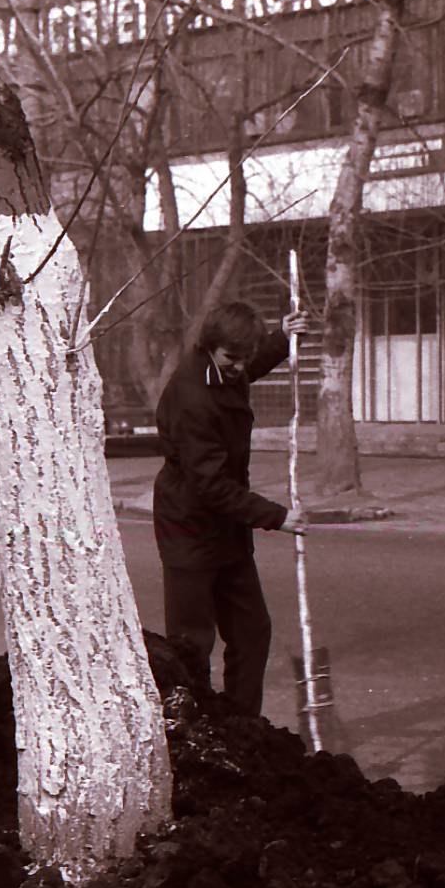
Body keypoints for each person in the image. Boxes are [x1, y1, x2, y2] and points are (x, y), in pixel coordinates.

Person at [153, 302, 309, 717]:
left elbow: (249, 366)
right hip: (189, 527)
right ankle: (195, 733)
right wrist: (277, 516)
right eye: (232, 358)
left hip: (226, 528)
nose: (240, 367)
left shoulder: (225, 370)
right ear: (210, 348)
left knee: (252, 631)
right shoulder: (192, 397)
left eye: (244, 357)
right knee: (192, 644)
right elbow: (210, 486)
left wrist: (282, 337)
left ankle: (242, 726)